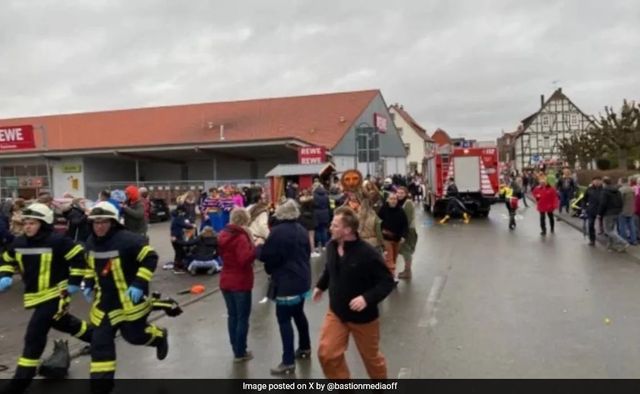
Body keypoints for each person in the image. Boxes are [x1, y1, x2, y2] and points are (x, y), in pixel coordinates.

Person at [0, 203, 93, 393]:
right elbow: (7, 259)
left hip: (57, 295)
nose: (27, 226)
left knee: (34, 335)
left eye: (32, 223)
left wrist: (74, 281)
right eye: (25, 223)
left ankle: (19, 383)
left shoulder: (58, 241)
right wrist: (5, 275)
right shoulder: (19, 243)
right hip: (36, 297)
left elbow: (79, 258)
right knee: (64, 323)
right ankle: (99, 338)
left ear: (43, 223)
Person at [83, 202, 168, 394]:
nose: (99, 226)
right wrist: (88, 283)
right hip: (104, 303)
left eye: (103, 222)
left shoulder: (129, 240)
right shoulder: (90, 242)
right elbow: (90, 266)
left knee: (134, 336)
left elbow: (150, 257)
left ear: (113, 222)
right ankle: (101, 388)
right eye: (95, 223)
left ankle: (159, 337)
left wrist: (139, 283)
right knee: (100, 345)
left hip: (129, 302)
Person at [314, 206, 395, 379]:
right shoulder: (331, 246)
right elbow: (330, 269)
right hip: (337, 312)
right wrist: (320, 286)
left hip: (363, 318)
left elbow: (387, 281)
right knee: (327, 354)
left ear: (348, 230)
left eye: (335, 225)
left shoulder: (367, 253)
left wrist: (367, 298)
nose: (330, 227)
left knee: (371, 359)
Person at [258, 199, 312, 375]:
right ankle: (305, 347)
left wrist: (258, 248)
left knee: (283, 320)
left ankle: (288, 361)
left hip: (286, 281)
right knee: (299, 314)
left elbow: (267, 255)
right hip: (303, 278)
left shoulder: (278, 232)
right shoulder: (302, 230)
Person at [218, 208, 257, 363]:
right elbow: (244, 259)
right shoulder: (240, 237)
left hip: (225, 280)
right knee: (242, 318)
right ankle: (240, 352)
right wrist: (255, 248)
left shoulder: (223, 235)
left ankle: (236, 348)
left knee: (232, 316)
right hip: (241, 282)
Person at [377, 193, 408, 279]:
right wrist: (381, 232)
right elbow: (378, 221)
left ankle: (389, 272)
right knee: (390, 257)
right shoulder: (383, 209)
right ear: (388, 200)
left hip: (397, 238)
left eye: (395, 199)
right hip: (386, 238)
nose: (393, 201)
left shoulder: (401, 211)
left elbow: (405, 225)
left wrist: (403, 236)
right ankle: (391, 277)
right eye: (391, 199)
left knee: (394, 257)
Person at [599, 177, 628, 252]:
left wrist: (600, 213)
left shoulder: (604, 191)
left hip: (608, 213)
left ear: (604, 183)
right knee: (612, 229)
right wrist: (619, 210)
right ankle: (610, 245)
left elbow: (603, 204)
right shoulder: (617, 191)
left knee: (608, 230)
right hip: (616, 212)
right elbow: (621, 201)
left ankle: (623, 242)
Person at [396, 187, 417, 279]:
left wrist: (402, 233)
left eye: (402, 193)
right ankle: (407, 271)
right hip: (403, 229)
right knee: (404, 250)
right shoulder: (399, 203)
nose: (399, 194)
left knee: (406, 250)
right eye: (398, 193)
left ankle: (408, 271)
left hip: (408, 230)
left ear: (406, 194)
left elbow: (407, 220)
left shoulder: (407, 203)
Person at [582, 176, 603, 246]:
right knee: (590, 225)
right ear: (592, 181)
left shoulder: (604, 189)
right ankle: (592, 240)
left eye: (598, 180)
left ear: (601, 181)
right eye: (595, 180)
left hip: (602, 210)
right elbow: (584, 199)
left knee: (605, 226)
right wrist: (584, 207)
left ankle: (609, 241)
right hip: (591, 210)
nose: (597, 182)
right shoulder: (589, 189)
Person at [298, 189, 318, 258]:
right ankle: (312, 251)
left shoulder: (301, 201)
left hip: (303, 219)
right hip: (310, 220)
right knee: (311, 237)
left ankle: (304, 251)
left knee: (304, 236)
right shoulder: (312, 201)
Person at [618, 177, 637, 245]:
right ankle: (634, 240)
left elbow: (620, 201)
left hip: (623, 210)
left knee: (622, 226)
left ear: (622, 181)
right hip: (631, 210)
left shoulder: (621, 190)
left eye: (619, 181)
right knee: (632, 226)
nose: (618, 182)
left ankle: (624, 240)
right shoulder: (632, 189)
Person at [312, 183, 331, 254]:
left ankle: (318, 245)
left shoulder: (314, 196)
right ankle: (325, 245)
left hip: (316, 214)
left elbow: (312, 206)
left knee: (317, 230)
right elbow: (329, 206)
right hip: (325, 214)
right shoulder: (326, 196)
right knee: (324, 230)